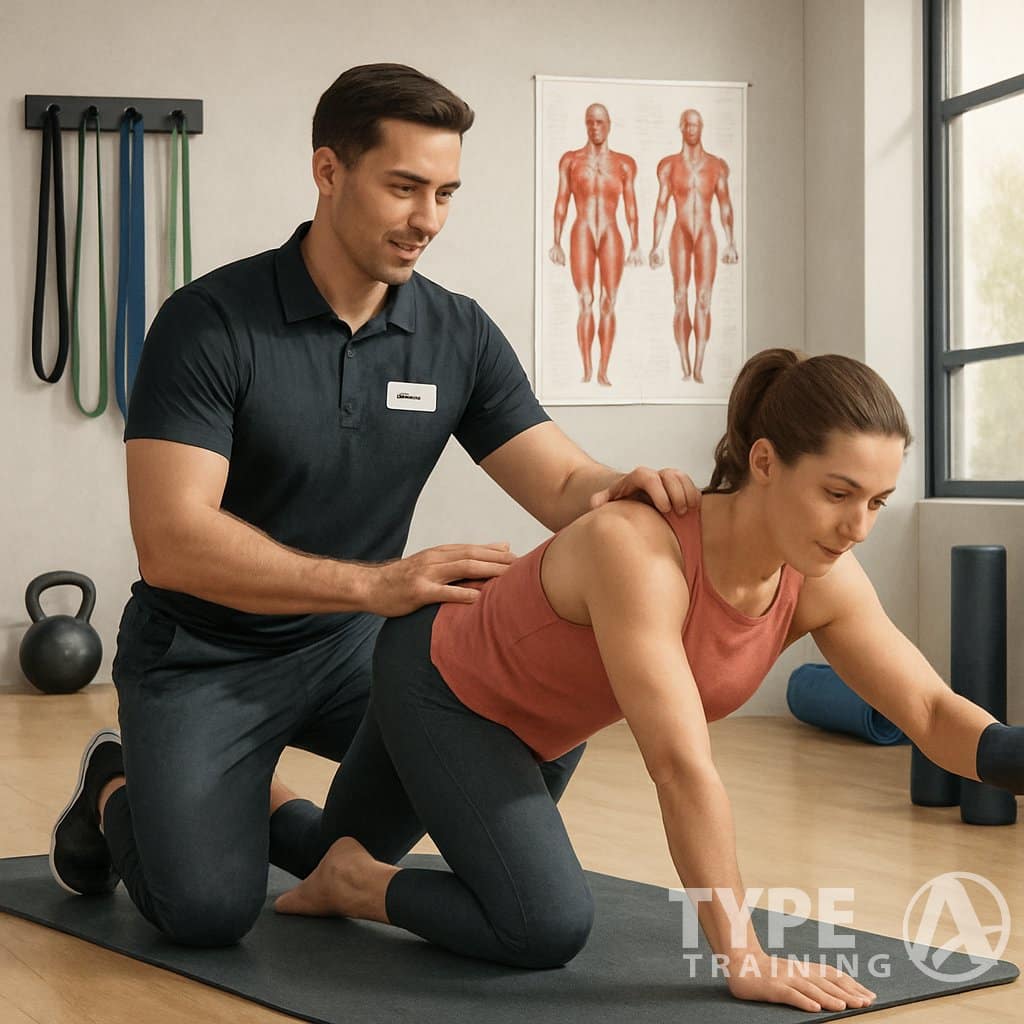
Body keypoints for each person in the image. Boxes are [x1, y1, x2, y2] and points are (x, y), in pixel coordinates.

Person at [48, 63, 703, 947]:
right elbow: (173, 540)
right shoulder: (209, 322)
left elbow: (560, 483)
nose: (428, 219)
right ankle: (115, 781)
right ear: (329, 171)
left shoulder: (456, 333)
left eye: (445, 193)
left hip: (357, 652)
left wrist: (620, 490)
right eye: (404, 187)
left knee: (513, 712)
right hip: (204, 655)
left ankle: (275, 816)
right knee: (204, 911)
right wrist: (374, 585)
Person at [274, 348, 1024, 1013]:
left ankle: (266, 801)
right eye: (838, 493)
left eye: (877, 502)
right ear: (765, 462)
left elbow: (930, 710)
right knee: (541, 923)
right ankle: (357, 883)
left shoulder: (820, 576)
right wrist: (744, 956)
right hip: (442, 683)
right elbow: (679, 767)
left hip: (543, 728)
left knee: (330, 849)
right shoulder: (641, 550)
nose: (858, 526)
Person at [549, 104, 643, 386]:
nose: (595, 127)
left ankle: (603, 369)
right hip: (582, 229)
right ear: (585, 124)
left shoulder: (624, 163)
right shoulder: (571, 160)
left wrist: (636, 243)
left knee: (608, 301)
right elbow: (562, 201)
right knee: (585, 300)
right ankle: (587, 368)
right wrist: (556, 241)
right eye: (590, 122)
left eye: (600, 122)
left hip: (611, 231)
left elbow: (631, 205)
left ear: (609, 124)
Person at [650, 109, 738, 384]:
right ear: (681, 127)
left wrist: (731, 242)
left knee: (703, 299)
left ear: (701, 128)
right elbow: (661, 205)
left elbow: (725, 204)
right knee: (680, 298)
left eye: (695, 125)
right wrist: (655, 244)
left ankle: (699, 365)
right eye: (687, 125)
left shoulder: (716, 166)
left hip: (706, 233)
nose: (691, 129)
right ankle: (685, 365)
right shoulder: (669, 166)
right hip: (680, 231)